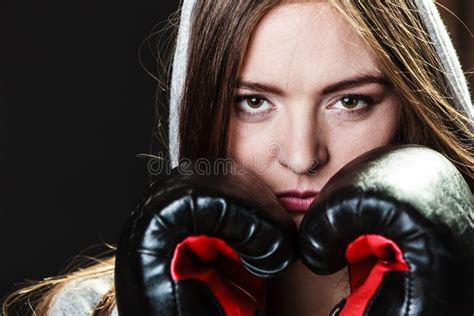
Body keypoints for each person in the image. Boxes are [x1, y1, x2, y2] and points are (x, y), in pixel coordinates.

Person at [2, 0, 473, 315]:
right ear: (202, 111)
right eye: (252, 102)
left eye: (350, 101)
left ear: (412, 105)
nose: (302, 156)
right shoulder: (90, 309)